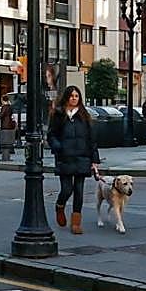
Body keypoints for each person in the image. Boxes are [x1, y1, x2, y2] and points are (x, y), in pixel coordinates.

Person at [47, 85, 100, 235]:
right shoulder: (58, 114)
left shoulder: (84, 115)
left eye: (77, 96)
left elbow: (92, 139)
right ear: (67, 97)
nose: (74, 98)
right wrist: (59, 147)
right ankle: (60, 205)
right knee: (66, 189)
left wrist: (94, 160)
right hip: (65, 157)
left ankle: (76, 222)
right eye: (72, 96)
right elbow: (51, 135)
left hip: (82, 157)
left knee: (79, 191)